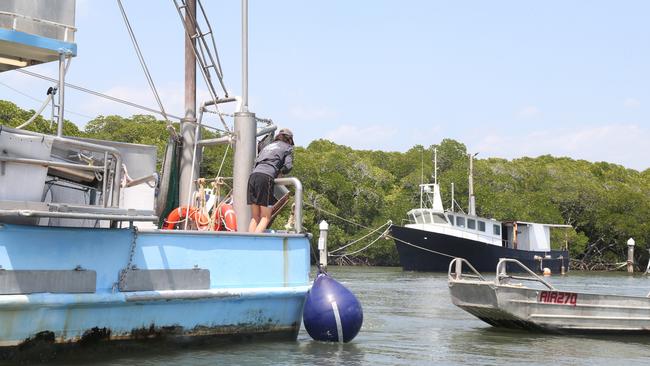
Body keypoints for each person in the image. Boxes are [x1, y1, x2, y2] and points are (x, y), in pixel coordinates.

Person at [247, 128, 294, 233]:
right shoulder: (287, 147)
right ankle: (255, 243)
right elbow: (288, 167)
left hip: (253, 176)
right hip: (266, 177)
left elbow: (256, 162)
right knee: (266, 217)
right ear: (289, 140)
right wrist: (279, 172)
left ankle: (248, 243)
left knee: (255, 217)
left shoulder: (267, 146)